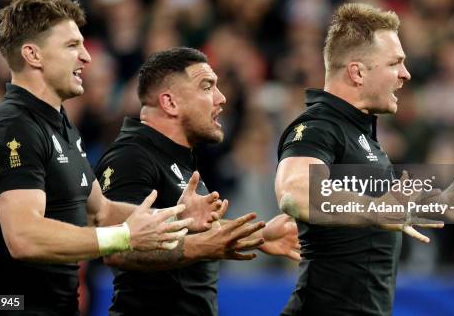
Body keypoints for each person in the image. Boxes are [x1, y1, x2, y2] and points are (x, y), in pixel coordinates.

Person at [0, 0, 202, 315]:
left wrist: (177, 216)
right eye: (71, 46)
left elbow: (99, 212)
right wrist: (122, 237)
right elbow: (23, 236)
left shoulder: (60, 123)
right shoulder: (14, 127)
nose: (86, 57)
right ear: (33, 54)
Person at [274, 3, 454, 315]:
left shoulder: (360, 132)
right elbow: (294, 190)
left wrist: (432, 204)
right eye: (395, 63)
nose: (405, 74)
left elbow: (376, 207)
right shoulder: (319, 127)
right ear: (357, 72)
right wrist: (376, 209)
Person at [95, 47, 301, 316]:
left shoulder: (177, 158)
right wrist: (204, 247)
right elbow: (117, 249)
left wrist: (261, 236)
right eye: (207, 87)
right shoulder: (131, 156)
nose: (221, 98)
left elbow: (185, 228)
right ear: (170, 103)